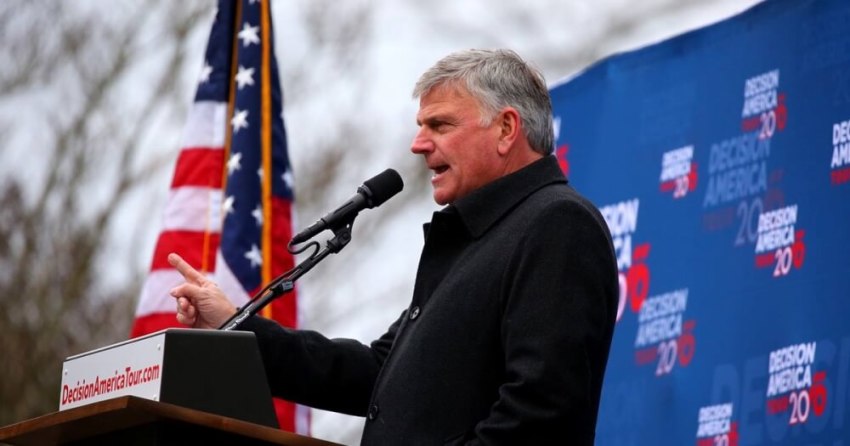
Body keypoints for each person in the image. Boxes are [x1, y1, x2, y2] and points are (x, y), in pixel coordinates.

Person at [169, 48, 618, 445]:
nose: (418, 144)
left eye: (440, 125)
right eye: (421, 126)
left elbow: (541, 412)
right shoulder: (474, 239)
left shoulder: (558, 223)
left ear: (505, 129)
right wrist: (236, 326)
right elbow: (377, 373)